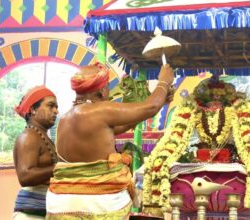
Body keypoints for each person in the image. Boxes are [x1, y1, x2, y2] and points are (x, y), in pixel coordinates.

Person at [46, 62, 174, 219]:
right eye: (107, 86)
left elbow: (122, 125)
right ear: (101, 90)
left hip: (60, 203)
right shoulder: (101, 110)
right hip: (96, 203)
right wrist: (164, 82)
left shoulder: (65, 118)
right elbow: (149, 108)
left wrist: (161, 100)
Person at [13, 86, 59, 219]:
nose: (56, 111)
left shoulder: (40, 135)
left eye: (56, 107)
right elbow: (25, 176)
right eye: (51, 106)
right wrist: (59, 167)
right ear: (33, 109)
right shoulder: (28, 136)